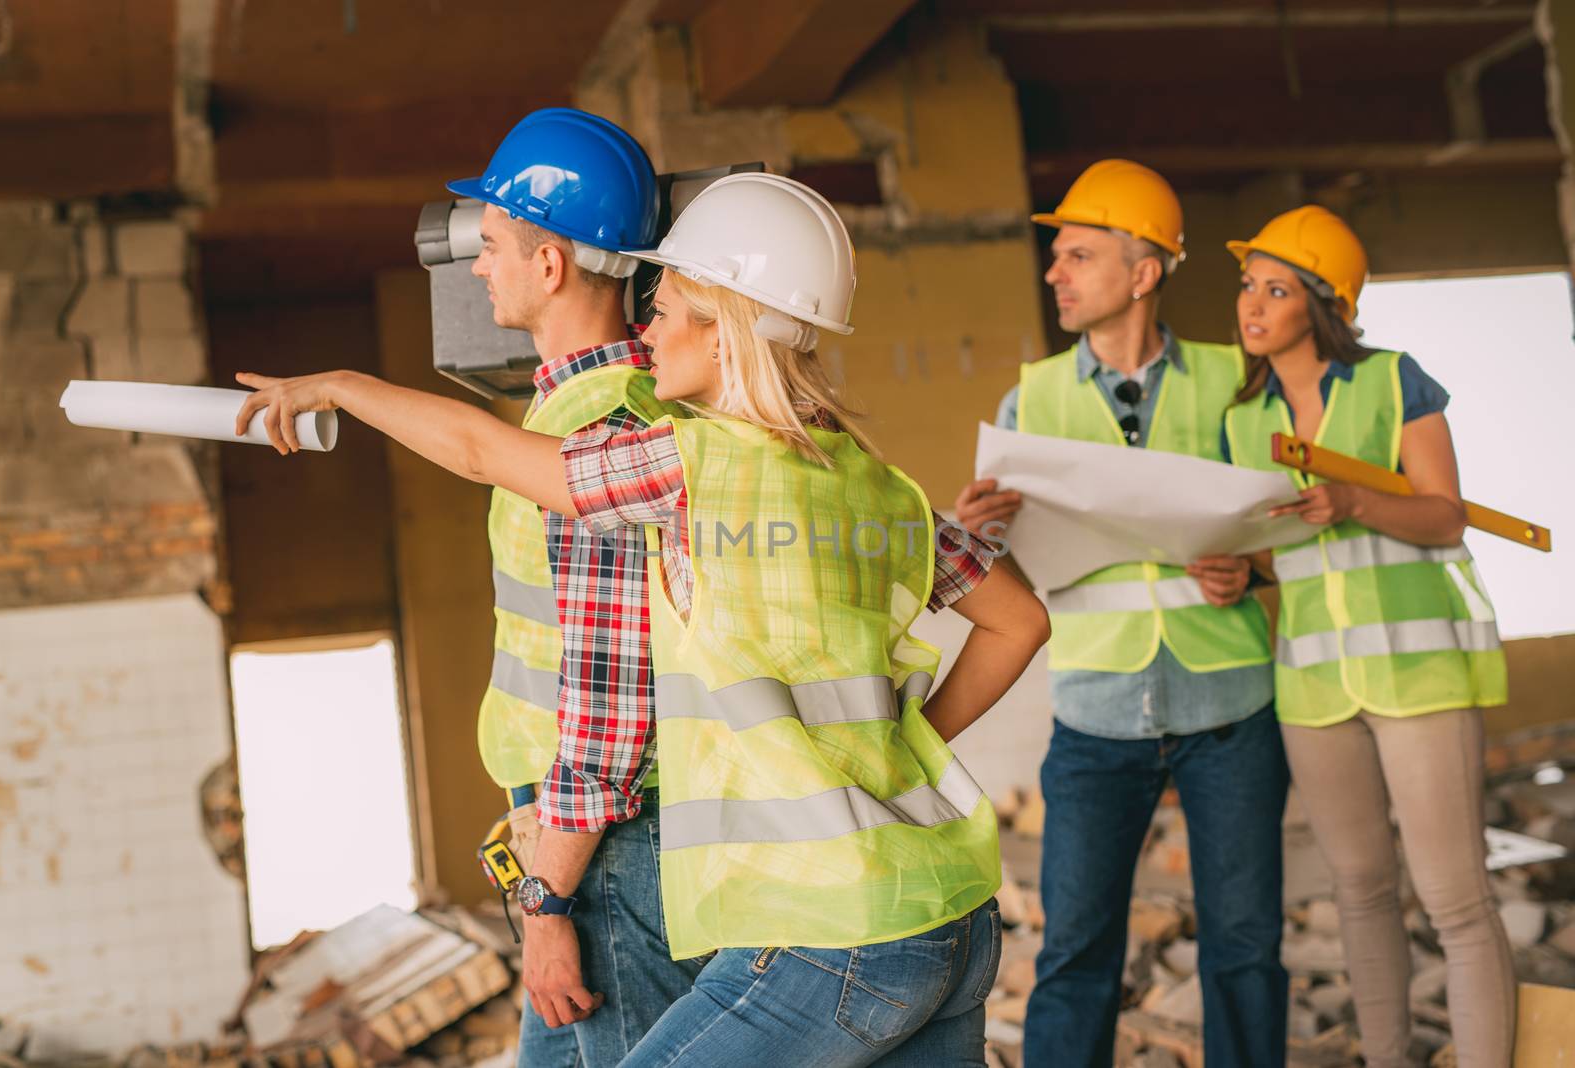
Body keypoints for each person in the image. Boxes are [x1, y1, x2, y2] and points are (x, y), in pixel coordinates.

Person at [233, 172, 1050, 1066]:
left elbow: (478, 453)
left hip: (830, 926)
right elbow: (1020, 623)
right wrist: (903, 745)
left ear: (725, 324)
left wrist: (342, 387)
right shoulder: (878, 484)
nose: (645, 329)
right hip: (952, 911)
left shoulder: (689, 465)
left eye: (665, 311)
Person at [955, 159, 1289, 1068]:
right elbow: (1016, 573)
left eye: (1077, 255)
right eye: (1055, 257)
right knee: (1075, 956)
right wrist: (978, 536)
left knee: (1247, 951)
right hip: (1096, 713)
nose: (1055, 272)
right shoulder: (1032, 401)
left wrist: (1250, 570)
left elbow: (1290, 534)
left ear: (1143, 272)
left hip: (1231, 708)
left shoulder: (1236, 385)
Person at [396, 107, 706, 1065]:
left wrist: (547, 903)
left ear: (550, 265)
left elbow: (613, 702)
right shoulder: (622, 403)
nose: (475, 265)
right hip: (601, 837)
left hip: (605, 848)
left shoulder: (597, 432)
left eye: (490, 245)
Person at [1222, 205, 1513, 1068]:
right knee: (1360, 892)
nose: (1253, 304)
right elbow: (1269, 553)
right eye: (1247, 285)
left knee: (1456, 900)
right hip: (1313, 690)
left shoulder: (1394, 382)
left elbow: (1444, 516)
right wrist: (1239, 573)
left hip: (1419, 677)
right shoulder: (1244, 420)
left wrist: (1353, 501)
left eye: (1277, 288)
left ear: (1324, 303)